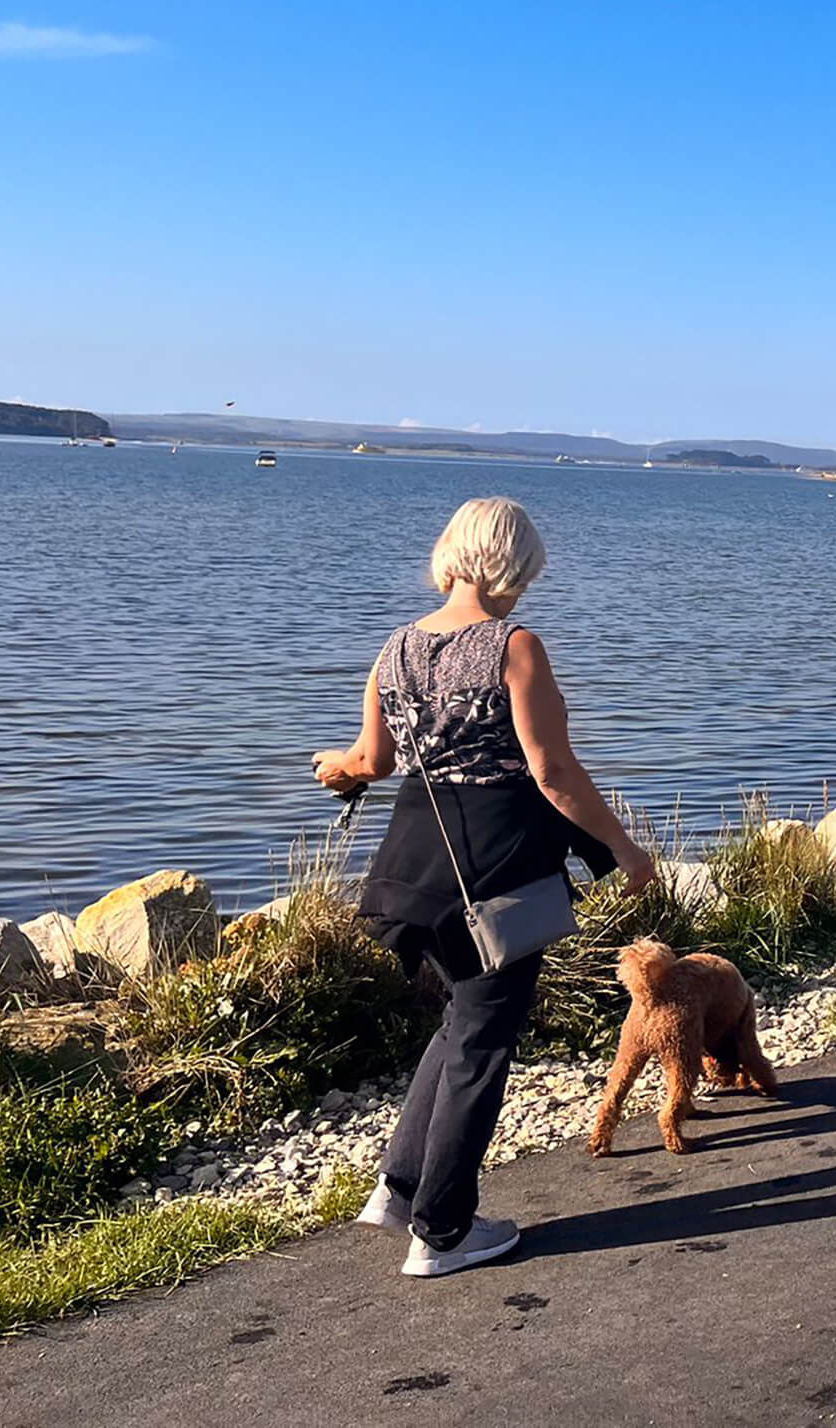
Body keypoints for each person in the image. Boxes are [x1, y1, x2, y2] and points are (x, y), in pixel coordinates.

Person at [313, 497, 657, 1278]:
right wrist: (625, 850)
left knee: (460, 1025)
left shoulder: (395, 647)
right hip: (496, 866)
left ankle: (400, 1191)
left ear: (452, 553)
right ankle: (441, 1233)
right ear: (519, 564)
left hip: (413, 868)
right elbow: (554, 772)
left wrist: (332, 765)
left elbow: (373, 762)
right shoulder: (516, 646)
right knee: (483, 1042)